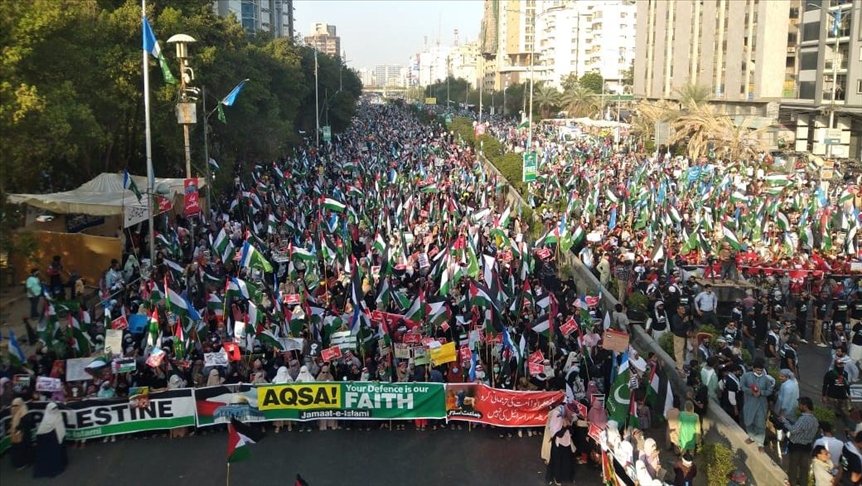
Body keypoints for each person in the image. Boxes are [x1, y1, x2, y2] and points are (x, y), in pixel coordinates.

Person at [780, 397, 819, 486]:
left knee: (793, 467)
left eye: (800, 405)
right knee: (804, 470)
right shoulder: (815, 420)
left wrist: (784, 421)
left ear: (805, 406)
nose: (799, 407)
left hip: (797, 447)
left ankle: (792, 483)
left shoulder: (803, 419)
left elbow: (793, 430)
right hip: (807, 447)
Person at [740, 358, 774, 451]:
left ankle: (760, 443)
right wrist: (750, 391)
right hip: (749, 404)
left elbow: (770, 390)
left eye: (761, 370)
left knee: (760, 424)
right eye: (757, 370)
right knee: (748, 422)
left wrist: (761, 393)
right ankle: (751, 437)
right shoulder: (746, 376)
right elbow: (742, 386)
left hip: (761, 405)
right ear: (753, 369)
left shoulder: (766, 379)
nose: (759, 372)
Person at [33, 402, 67, 478]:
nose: (54, 410)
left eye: (55, 408)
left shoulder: (58, 415)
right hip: (50, 439)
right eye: (52, 409)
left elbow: (61, 426)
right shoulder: (46, 419)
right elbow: (42, 431)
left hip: (59, 436)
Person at [545, 404, 574, 486]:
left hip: (566, 442)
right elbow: (557, 434)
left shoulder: (567, 415)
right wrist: (565, 426)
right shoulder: (557, 416)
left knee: (566, 460)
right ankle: (556, 478)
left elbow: (572, 432)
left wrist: (568, 425)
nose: (571, 415)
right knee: (556, 462)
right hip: (557, 443)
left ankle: (565, 477)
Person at [9, 398, 35, 470]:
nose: (14, 407)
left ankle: (25, 462)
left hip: (24, 435)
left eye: (16, 405)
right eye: (13, 405)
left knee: (24, 448)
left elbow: (26, 423)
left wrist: (18, 427)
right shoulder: (14, 411)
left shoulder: (25, 413)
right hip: (16, 435)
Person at [670, 305, 693, 372]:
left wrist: (689, 330)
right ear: (678, 310)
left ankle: (682, 365)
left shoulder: (685, 316)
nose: (683, 309)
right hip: (678, 336)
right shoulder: (675, 317)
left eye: (684, 308)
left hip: (685, 336)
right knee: (678, 352)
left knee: (684, 352)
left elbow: (689, 325)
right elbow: (677, 327)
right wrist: (683, 322)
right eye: (682, 308)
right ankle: (680, 368)